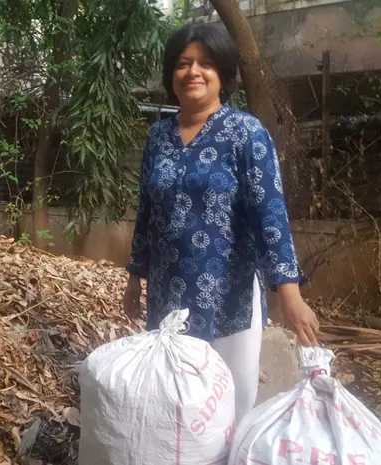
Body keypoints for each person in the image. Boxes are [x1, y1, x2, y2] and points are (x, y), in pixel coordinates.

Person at [123, 22, 320, 422]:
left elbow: (271, 213)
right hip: (167, 296)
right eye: (183, 63)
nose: (193, 72)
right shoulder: (158, 138)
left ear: (223, 75)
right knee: (174, 400)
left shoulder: (245, 134)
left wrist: (290, 292)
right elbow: (146, 212)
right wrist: (134, 277)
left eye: (206, 64)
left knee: (226, 402)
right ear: (171, 75)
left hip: (228, 297)